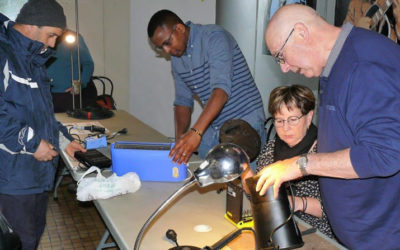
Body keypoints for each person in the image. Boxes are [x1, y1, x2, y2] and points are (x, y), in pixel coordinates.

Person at [256, 4, 400, 248]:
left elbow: (387, 154)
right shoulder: (334, 65)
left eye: (281, 55)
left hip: (383, 236)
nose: (284, 67)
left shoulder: (362, 66)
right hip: (359, 233)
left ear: (300, 32)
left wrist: (300, 164)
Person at [0, 0, 86, 249]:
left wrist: (64, 142)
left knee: (32, 238)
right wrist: (33, 143)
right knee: (18, 242)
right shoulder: (5, 56)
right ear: (30, 26)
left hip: (35, 175)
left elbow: (43, 117)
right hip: (12, 179)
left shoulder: (33, 61)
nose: (52, 44)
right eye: (51, 35)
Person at [147, 9, 266, 165]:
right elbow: (183, 102)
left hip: (245, 122)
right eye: (160, 48)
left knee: (244, 184)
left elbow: (221, 91)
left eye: (167, 43)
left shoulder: (214, 38)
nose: (167, 51)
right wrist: (180, 140)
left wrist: (195, 132)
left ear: (180, 29)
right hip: (216, 125)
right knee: (205, 177)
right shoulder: (177, 58)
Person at [241, 85, 334, 238]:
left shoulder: (325, 154)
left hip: (318, 235)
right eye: (279, 120)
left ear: (309, 117)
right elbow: (259, 198)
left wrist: (295, 203)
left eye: (293, 119)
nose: (286, 128)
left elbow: (337, 210)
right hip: (279, 229)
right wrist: (243, 168)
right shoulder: (271, 149)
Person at [46, 29, 97, 113]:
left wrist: (80, 84)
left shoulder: (73, 38)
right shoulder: (41, 37)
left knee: (70, 123)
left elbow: (88, 63)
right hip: (44, 94)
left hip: (67, 94)